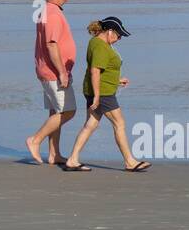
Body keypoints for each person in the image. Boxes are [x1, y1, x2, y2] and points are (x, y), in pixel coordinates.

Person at [63, 16, 151, 172]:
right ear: (110, 31)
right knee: (119, 123)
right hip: (102, 93)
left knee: (90, 125)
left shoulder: (98, 43)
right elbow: (95, 71)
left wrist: (117, 80)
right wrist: (97, 96)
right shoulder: (100, 46)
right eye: (119, 35)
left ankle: (72, 159)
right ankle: (130, 161)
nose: (119, 39)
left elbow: (103, 70)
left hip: (99, 90)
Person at [25, 0, 77, 165]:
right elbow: (51, 45)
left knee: (56, 111)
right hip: (54, 72)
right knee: (69, 111)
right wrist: (62, 72)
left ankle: (54, 153)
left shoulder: (47, 11)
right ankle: (35, 140)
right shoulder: (53, 13)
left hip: (47, 70)